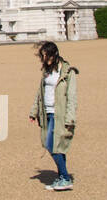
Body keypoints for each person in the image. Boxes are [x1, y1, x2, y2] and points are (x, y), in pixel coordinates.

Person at [28, 41, 78, 191]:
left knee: (52, 145)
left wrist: (70, 118)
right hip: (47, 113)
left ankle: (65, 177)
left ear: (54, 54)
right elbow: (40, 92)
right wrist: (34, 111)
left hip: (60, 114)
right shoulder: (47, 71)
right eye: (42, 56)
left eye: (46, 56)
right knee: (55, 145)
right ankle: (62, 177)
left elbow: (72, 97)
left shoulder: (68, 72)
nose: (44, 59)